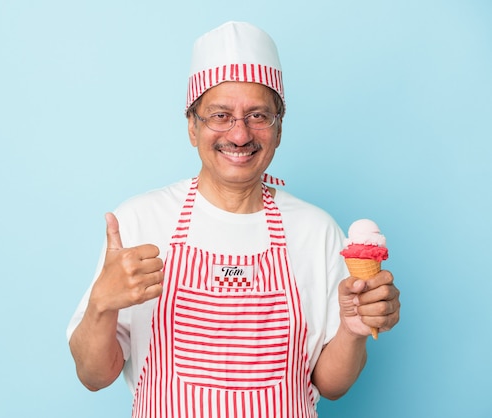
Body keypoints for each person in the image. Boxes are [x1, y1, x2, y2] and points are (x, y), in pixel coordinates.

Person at [67, 21, 400, 417]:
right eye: (220, 115)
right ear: (192, 126)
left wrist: (353, 329)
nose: (240, 135)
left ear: (279, 127)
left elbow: (331, 386)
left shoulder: (316, 231)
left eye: (258, 115)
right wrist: (101, 305)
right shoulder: (141, 221)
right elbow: (94, 376)